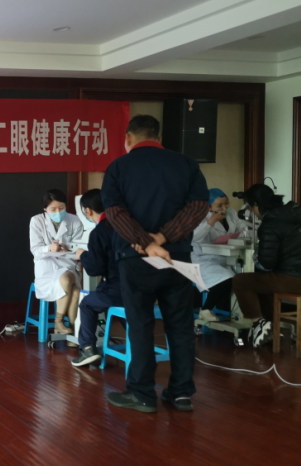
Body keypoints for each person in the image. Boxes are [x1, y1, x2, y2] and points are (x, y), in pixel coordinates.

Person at [101, 115, 209, 413]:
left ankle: (142, 393)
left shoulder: (118, 167)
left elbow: (115, 212)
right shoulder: (186, 164)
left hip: (135, 260)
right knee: (180, 325)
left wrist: (146, 243)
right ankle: (181, 392)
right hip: (177, 259)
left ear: (128, 138)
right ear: (158, 138)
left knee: (140, 325)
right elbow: (198, 207)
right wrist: (163, 238)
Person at [232, 184, 301, 348]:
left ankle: (259, 323)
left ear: (256, 205)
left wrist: (257, 256)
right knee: (262, 283)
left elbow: (267, 264)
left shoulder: (270, 223)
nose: (252, 212)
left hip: (291, 278)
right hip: (295, 276)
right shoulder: (295, 213)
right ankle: (271, 326)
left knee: (241, 281)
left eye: (251, 207)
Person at [72, 189, 123, 367]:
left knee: (87, 304)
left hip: (118, 289)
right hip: (146, 288)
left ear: (88, 211)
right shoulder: (128, 224)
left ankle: (87, 348)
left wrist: (83, 255)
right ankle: (139, 341)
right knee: (117, 300)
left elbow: (94, 269)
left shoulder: (100, 231)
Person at [29, 189, 83, 341]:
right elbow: (35, 250)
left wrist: (68, 249)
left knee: (66, 279)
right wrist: (49, 248)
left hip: (68, 265)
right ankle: (72, 332)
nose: (58, 212)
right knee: (75, 292)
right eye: (53, 209)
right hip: (47, 268)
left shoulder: (74, 220)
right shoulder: (37, 221)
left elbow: (79, 248)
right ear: (45, 209)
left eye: (61, 208)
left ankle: (60, 323)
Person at [191, 188, 250, 322]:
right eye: (219, 205)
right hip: (205, 260)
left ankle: (242, 314)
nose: (224, 208)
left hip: (227, 257)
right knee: (227, 278)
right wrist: (210, 222)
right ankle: (206, 309)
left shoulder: (232, 213)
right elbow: (194, 237)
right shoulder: (199, 217)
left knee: (244, 278)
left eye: (226, 203)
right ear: (208, 207)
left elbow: (243, 229)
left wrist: (245, 235)